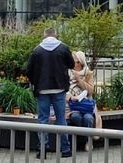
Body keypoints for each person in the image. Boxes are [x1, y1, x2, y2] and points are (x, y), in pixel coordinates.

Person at [26, 28, 74, 159]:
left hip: (42, 89)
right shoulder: (63, 48)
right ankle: (65, 150)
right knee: (61, 119)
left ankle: (42, 150)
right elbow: (71, 64)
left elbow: (29, 70)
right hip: (59, 88)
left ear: (44, 35)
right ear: (55, 35)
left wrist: (34, 81)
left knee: (42, 119)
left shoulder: (37, 50)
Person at [67, 51, 101, 150]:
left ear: (80, 63)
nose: (73, 64)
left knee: (88, 118)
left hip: (86, 105)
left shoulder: (88, 73)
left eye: (75, 61)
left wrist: (79, 81)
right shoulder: (68, 73)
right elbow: (65, 89)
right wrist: (70, 97)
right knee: (76, 117)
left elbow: (90, 90)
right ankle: (87, 135)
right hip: (73, 106)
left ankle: (88, 141)